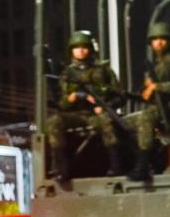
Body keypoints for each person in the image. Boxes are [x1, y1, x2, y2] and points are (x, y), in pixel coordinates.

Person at [46, 30, 122, 188]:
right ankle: (62, 167)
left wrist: (104, 107)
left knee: (106, 120)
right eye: (77, 47)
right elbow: (62, 105)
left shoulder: (103, 70)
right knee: (54, 121)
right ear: (71, 50)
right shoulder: (67, 74)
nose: (81, 50)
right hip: (76, 116)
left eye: (84, 47)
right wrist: (72, 98)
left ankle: (115, 165)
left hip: (98, 114)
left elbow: (119, 96)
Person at [126, 22, 170, 181]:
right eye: (155, 39)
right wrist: (145, 91)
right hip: (158, 107)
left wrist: (156, 87)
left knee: (146, 117)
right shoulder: (153, 64)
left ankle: (142, 166)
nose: (159, 42)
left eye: (163, 39)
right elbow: (147, 90)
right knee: (123, 123)